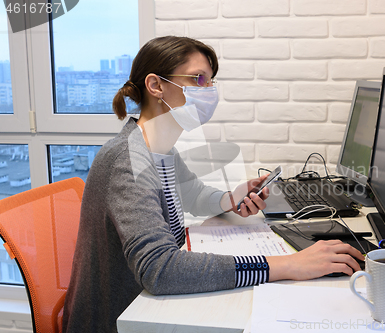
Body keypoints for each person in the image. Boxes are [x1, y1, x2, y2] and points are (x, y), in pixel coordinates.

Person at [62, 36, 364, 333]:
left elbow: (191, 194)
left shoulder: (160, 149)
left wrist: (230, 199)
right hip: (120, 318)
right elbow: (160, 269)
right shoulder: (128, 160)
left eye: (211, 81)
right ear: (156, 86)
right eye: (199, 79)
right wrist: (286, 265)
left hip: (148, 306)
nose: (209, 91)